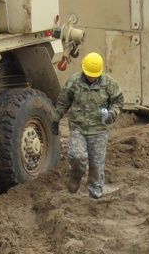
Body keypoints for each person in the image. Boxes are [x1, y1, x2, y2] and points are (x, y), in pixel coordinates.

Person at [51, 52, 124, 199]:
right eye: (89, 74)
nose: (92, 77)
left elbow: (118, 101)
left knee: (97, 166)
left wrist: (111, 114)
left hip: (99, 130)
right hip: (78, 127)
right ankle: (75, 177)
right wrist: (56, 119)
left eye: (94, 75)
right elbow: (63, 101)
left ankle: (95, 195)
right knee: (77, 156)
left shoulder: (109, 84)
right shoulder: (74, 82)